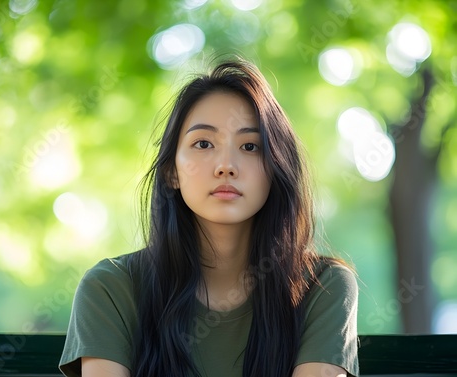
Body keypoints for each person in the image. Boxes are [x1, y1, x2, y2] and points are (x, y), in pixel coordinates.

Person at [59, 58, 359, 377]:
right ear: (172, 171)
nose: (225, 165)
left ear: (276, 169)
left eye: (250, 146)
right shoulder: (111, 289)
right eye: (203, 143)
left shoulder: (323, 288)